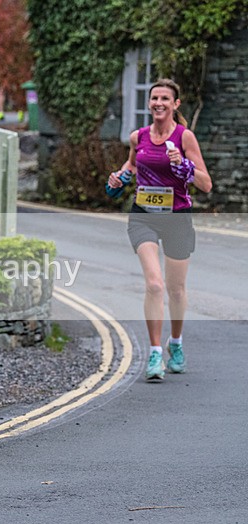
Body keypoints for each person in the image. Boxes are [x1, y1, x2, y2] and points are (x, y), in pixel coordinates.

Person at [108, 78, 212, 381]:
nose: (158, 103)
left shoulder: (184, 137)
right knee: (154, 284)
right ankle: (155, 353)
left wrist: (184, 166)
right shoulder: (138, 137)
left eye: (165, 98)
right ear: (149, 102)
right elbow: (131, 167)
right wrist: (118, 178)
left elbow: (206, 184)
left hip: (177, 217)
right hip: (144, 216)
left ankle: (174, 343)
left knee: (176, 290)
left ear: (175, 104)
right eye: (154, 98)